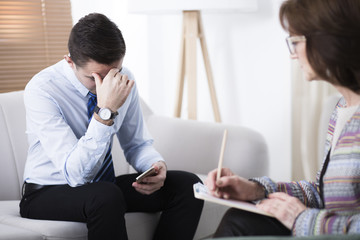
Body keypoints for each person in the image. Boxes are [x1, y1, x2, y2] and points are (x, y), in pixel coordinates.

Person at [20, 13, 203, 240]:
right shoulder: (42, 89)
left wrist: (154, 164)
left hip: (103, 188)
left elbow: (137, 144)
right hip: (46, 191)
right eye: (94, 77)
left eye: (113, 73)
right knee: (106, 195)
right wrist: (104, 112)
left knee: (188, 185)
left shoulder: (124, 79)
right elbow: (75, 174)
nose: (106, 84)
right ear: (70, 61)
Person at [205, 0, 360, 237]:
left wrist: (302, 219)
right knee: (241, 218)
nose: (292, 55)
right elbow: (322, 194)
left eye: (296, 42)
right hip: (325, 228)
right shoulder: (342, 109)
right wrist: (256, 190)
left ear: (328, 41)